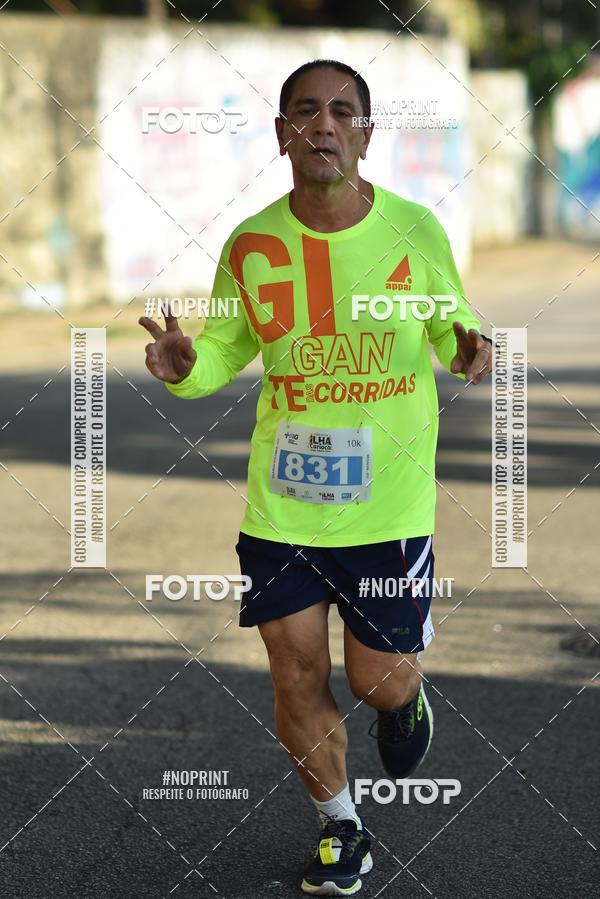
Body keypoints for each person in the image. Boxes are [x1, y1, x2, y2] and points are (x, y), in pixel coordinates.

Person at [139, 59, 493, 897]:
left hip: (388, 508)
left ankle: (406, 698)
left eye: (342, 112)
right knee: (294, 673)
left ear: (366, 133)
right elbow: (224, 347)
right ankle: (345, 827)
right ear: (282, 133)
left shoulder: (414, 230)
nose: (324, 125)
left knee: (376, 679)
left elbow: (453, 328)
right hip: (285, 507)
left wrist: (470, 349)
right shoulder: (254, 243)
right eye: (306, 112)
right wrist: (187, 366)